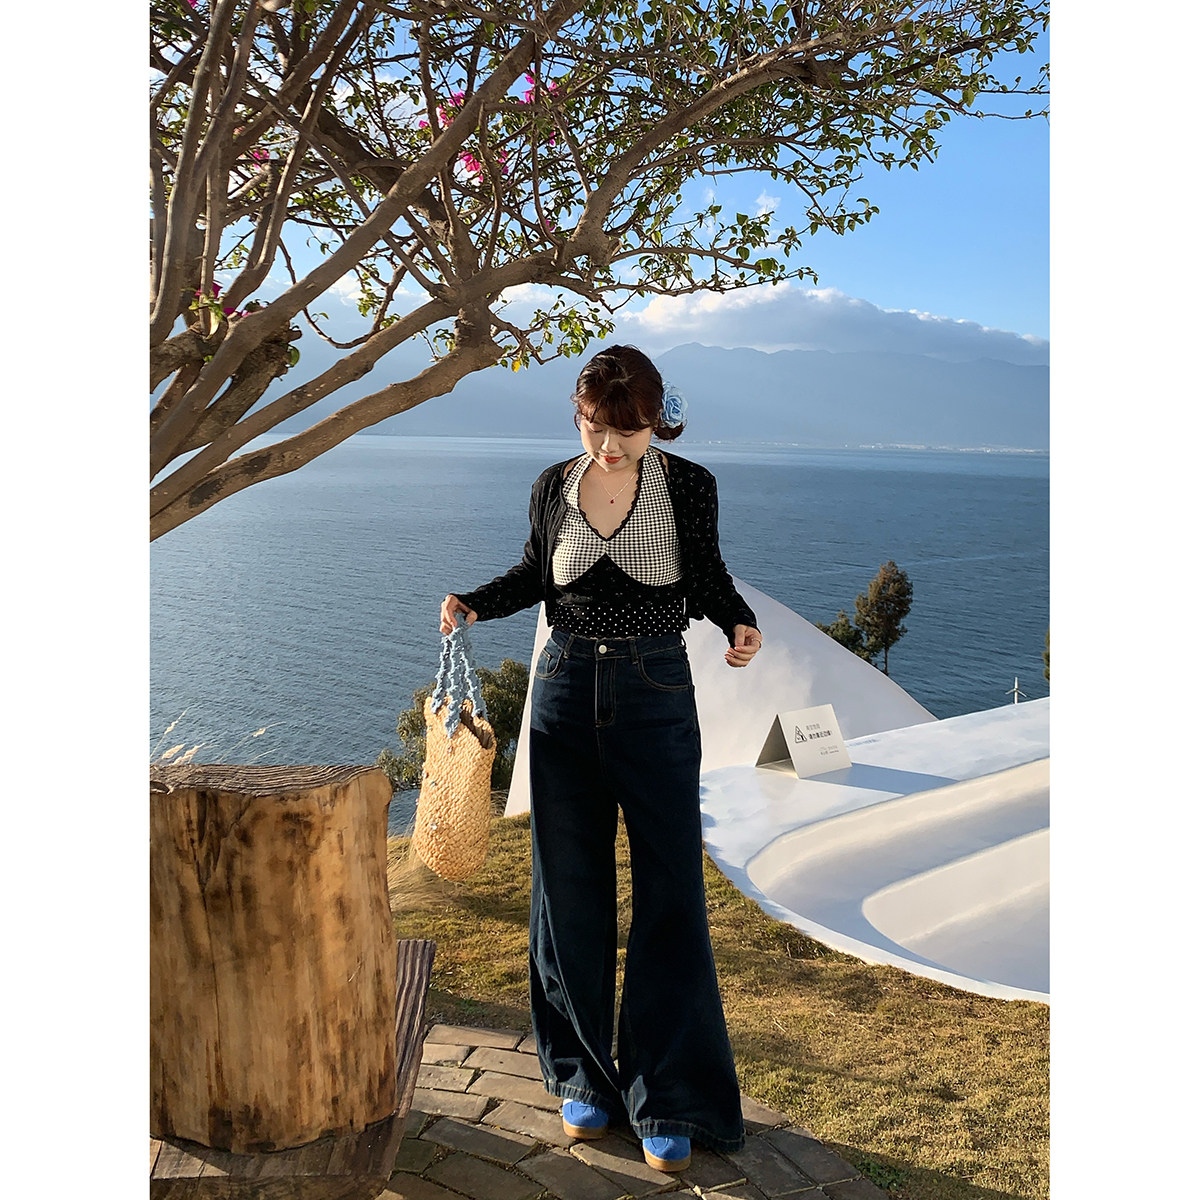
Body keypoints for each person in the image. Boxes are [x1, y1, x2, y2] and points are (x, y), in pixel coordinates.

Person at [440, 344, 763, 1172]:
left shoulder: (690, 486)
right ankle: (582, 1073)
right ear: (577, 416)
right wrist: (475, 603)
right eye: (595, 428)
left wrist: (738, 621)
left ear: (656, 420)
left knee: (670, 890)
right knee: (568, 888)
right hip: (562, 693)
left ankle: (669, 1094)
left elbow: (708, 577)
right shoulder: (553, 484)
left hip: (656, 693)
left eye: (628, 430)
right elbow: (534, 574)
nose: (610, 447)